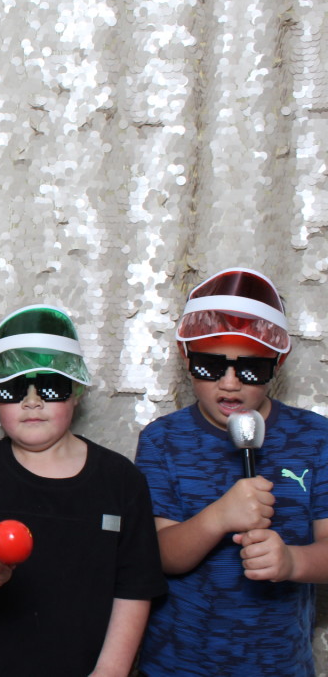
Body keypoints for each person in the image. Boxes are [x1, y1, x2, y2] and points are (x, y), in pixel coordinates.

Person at [0, 305, 166, 677]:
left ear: (77, 390)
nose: (32, 401)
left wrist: (111, 669)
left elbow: (135, 587)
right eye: (13, 388)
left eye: (51, 386)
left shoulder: (121, 480)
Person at [134, 268, 328, 677]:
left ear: (279, 362)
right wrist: (219, 517)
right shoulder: (161, 440)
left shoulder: (315, 438)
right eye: (210, 365)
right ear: (186, 357)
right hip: (177, 665)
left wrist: (292, 562)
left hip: (279, 665)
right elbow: (159, 556)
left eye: (251, 369)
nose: (230, 383)